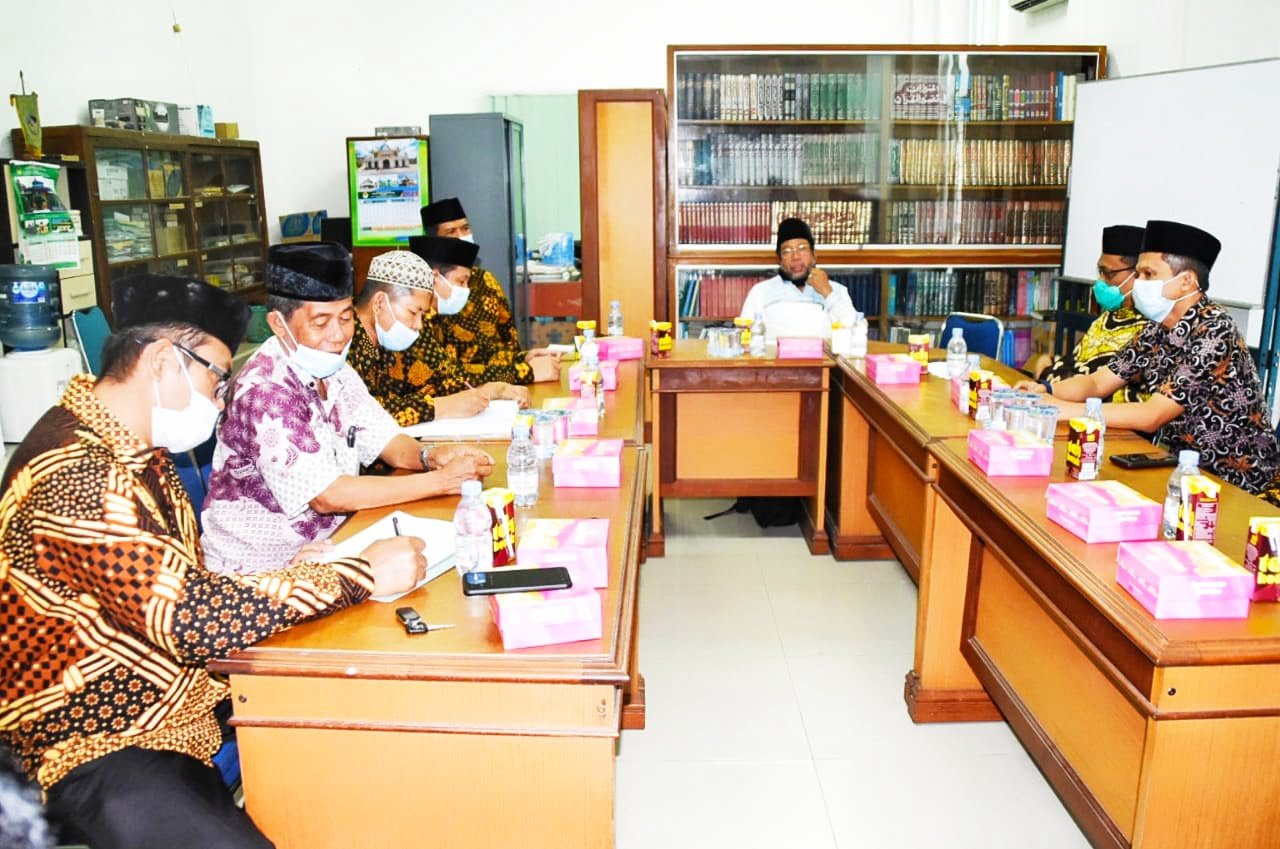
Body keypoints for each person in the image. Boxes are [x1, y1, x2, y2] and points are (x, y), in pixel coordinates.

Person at [0, 274, 429, 849]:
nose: (223, 397)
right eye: (217, 377)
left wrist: (300, 574)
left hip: (176, 695)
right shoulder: (75, 472)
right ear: (161, 361)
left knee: (360, 721)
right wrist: (359, 573)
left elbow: (176, 583)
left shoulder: (138, 449)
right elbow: (188, 617)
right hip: (94, 738)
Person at [200, 243, 494, 574]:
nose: (338, 335)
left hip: (334, 541)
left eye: (345, 318)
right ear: (278, 324)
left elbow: (387, 440)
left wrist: (431, 457)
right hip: (260, 570)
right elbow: (328, 495)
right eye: (321, 322)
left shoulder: (334, 369)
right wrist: (440, 482)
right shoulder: (265, 390)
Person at [1022, 220, 1280, 497]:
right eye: (1138, 274)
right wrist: (1046, 392)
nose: (1139, 283)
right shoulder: (1158, 328)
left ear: (1186, 281)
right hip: (1182, 471)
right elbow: (1099, 382)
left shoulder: (1215, 330)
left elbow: (1151, 415)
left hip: (1239, 482)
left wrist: (1062, 410)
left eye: (1148, 274)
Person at [347, 249, 509, 425]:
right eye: (413, 312)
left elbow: (437, 379)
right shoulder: (342, 342)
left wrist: (489, 390)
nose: (419, 325)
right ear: (379, 303)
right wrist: (440, 407)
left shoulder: (388, 339)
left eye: (422, 315)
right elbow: (357, 414)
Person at [419, 197, 560, 384]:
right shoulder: (418, 306)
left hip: (499, 390)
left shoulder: (486, 281)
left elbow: (505, 348)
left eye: (465, 228)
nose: (461, 236)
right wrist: (524, 371)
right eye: (451, 231)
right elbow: (443, 375)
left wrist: (523, 359)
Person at [1025, 224, 1151, 404]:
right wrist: (1049, 364)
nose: (1101, 281)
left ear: (1138, 274)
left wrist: (1049, 375)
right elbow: (1076, 364)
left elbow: (1103, 389)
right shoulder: (1108, 318)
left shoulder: (1151, 330)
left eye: (1109, 273)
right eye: (1100, 272)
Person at [738, 217, 857, 327]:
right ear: (779, 260)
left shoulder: (837, 291)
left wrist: (827, 292)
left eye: (802, 248)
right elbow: (745, 334)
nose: (795, 257)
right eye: (787, 251)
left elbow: (853, 329)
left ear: (814, 255)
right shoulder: (760, 292)